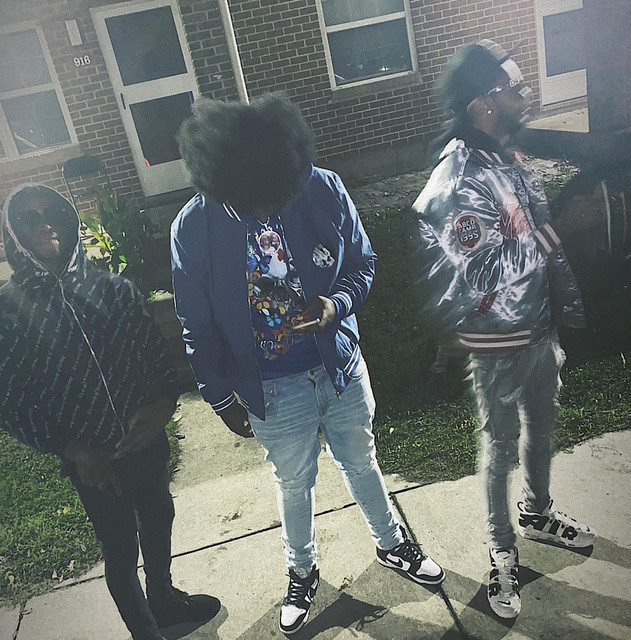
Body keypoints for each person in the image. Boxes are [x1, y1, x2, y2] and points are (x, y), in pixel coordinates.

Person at [172, 94, 445, 635]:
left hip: (338, 364)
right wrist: (221, 398)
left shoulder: (319, 186)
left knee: (361, 461)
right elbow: (195, 323)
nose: (268, 207)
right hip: (272, 387)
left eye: (277, 193)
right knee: (294, 483)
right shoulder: (194, 227)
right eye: (254, 201)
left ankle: (392, 544)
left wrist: (335, 305)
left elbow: (363, 263)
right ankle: (302, 571)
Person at [412, 39, 598, 619]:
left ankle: (537, 514)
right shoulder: (459, 179)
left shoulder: (503, 158)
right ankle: (501, 552)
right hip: (496, 340)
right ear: (483, 104)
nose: (525, 95)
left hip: (537, 328)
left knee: (542, 427)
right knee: (499, 447)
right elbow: (484, 272)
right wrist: (564, 228)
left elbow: (532, 236)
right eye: (514, 87)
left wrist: (563, 306)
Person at [0, 185, 220, 640]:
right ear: (13, 236)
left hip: (145, 442)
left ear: (70, 220)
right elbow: (12, 399)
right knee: (120, 549)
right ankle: (145, 632)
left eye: (52, 212)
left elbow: (154, 354)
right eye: (28, 218)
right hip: (92, 460)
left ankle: (164, 600)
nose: (44, 223)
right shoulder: (9, 310)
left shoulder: (111, 289)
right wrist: (71, 448)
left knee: (159, 517)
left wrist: (164, 404)